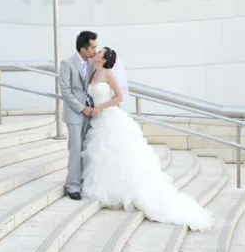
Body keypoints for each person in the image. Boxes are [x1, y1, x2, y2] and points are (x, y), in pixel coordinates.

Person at [80, 46, 215, 231]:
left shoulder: (109, 74)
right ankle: (110, 187)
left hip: (109, 116)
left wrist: (101, 106)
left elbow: (119, 97)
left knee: (116, 153)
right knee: (104, 155)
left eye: (99, 53)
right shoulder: (93, 72)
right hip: (98, 119)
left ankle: (126, 191)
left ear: (104, 60)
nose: (95, 53)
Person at [58, 31, 98, 200]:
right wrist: (82, 108)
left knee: (86, 148)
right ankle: (72, 185)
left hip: (91, 113)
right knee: (75, 148)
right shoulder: (67, 63)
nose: (95, 51)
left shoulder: (92, 64)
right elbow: (66, 91)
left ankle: (83, 181)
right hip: (75, 113)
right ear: (83, 49)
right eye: (93, 47)